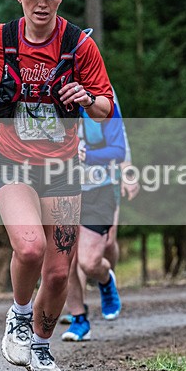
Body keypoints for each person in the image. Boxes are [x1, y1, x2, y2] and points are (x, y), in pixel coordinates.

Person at [0, 0, 114, 371]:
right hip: (13, 162)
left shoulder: (79, 46)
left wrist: (85, 99)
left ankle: (41, 349)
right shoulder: (0, 38)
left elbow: (105, 108)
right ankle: (20, 316)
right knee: (29, 248)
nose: (41, 3)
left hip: (63, 168)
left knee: (60, 271)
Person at [61, 98, 128, 341]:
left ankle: (105, 278)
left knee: (89, 263)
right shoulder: (50, 100)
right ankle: (79, 320)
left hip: (100, 189)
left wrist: (87, 155)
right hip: (62, 188)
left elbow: (119, 149)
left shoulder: (101, 100)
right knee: (64, 258)